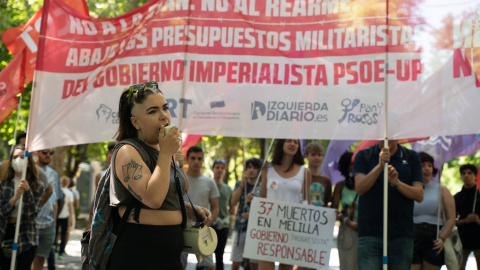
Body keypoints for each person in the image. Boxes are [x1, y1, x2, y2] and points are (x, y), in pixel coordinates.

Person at [107, 82, 211, 269]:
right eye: (152, 111)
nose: (164, 116)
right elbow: (153, 198)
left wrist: (185, 208)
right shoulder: (127, 151)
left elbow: (178, 188)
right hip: (139, 251)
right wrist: (165, 154)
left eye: (165, 108)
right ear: (135, 122)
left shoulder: (161, 151)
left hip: (170, 255)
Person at [353, 140, 424, 270]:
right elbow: (360, 188)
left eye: (392, 135)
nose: (387, 139)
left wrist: (396, 183)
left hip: (401, 234)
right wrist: (379, 166)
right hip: (370, 234)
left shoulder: (411, 157)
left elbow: (419, 195)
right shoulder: (364, 155)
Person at [259, 139, 312, 270]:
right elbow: (263, 197)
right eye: (289, 141)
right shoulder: (267, 168)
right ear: (281, 144)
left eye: (296, 142)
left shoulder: (305, 172)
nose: (293, 144)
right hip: (268, 226)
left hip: (291, 227)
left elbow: (307, 201)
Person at [0, 144, 45, 270]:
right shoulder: (3, 185)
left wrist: (27, 192)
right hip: (5, 232)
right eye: (15, 157)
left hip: (27, 234)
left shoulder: (38, 186)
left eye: (22, 157)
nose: (18, 160)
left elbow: (32, 215)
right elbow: (1, 212)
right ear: (10, 162)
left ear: (29, 163)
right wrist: (15, 197)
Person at [411, 152, 456, 270]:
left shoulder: (442, 189)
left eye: (430, 165)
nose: (427, 169)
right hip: (411, 236)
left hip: (434, 238)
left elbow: (451, 218)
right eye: (422, 165)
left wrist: (442, 238)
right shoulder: (408, 189)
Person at [181, 146, 220, 270]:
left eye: (199, 158)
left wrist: (209, 222)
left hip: (203, 229)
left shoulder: (209, 182)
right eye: (193, 158)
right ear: (187, 159)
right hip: (182, 229)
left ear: (203, 160)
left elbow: (216, 208)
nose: (196, 161)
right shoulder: (180, 180)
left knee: (209, 267)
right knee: (179, 266)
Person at [230, 158, 262, 270]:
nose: (251, 170)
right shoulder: (240, 184)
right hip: (240, 228)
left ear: (259, 170)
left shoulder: (262, 186)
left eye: (254, 167)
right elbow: (233, 202)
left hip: (257, 230)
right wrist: (242, 183)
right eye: (249, 167)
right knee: (235, 262)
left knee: (254, 264)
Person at [35, 148, 63, 270]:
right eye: (44, 152)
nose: (48, 155)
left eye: (51, 153)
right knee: (26, 260)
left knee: (39, 262)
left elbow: (56, 199)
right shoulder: (29, 170)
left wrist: (54, 221)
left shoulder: (54, 174)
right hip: (31, 223)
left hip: (48, 224)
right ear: (36, 153)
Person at [332, 151, 359, 270]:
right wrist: (347, 221)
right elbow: (334, 211)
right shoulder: (340, 186)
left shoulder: (366, 185)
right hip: (347, 228)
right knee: (347, 264)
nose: (353, 167)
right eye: (351, 164)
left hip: (364, 229)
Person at [454, 164, 480, 269]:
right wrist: (465, 221)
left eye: (469, 173)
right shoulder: (457, 198)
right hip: (462, 241)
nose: (466, 176)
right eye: (463, 173)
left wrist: (478, 220)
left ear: (475, 176)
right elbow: (451, 220)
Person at [211, 159, 233, 270]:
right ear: (213, 169)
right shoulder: (208, 185)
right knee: (203, 256)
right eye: (217, 167)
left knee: (219, 256)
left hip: (223, 226)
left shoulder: (228, 189)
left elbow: (232, 208)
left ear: (225, 171)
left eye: (222, 168)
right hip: (209, 225)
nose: (220, 170)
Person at [87, 143, 114, 229]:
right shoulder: (100, 175)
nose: (112, 155)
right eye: (110, 152)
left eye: (115, 152)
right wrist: (90, 220)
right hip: (103, 215)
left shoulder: (127, 174)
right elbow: (96, 197)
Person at [305, 141, 332, 207]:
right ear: (307, 156)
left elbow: (326, 203)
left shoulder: (326, 180)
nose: (316, 158)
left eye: (319, 155)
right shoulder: (300, 176)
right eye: (313, 154)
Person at [56, 176, 75, 259]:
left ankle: (53, 247)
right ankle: (61, 253)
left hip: (56, 216)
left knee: (55, 233)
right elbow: (70, 206)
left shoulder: (57, 191)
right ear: (68, 183)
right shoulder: (69, 193)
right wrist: (71, 218)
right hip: (65, 216)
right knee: (64, 234)